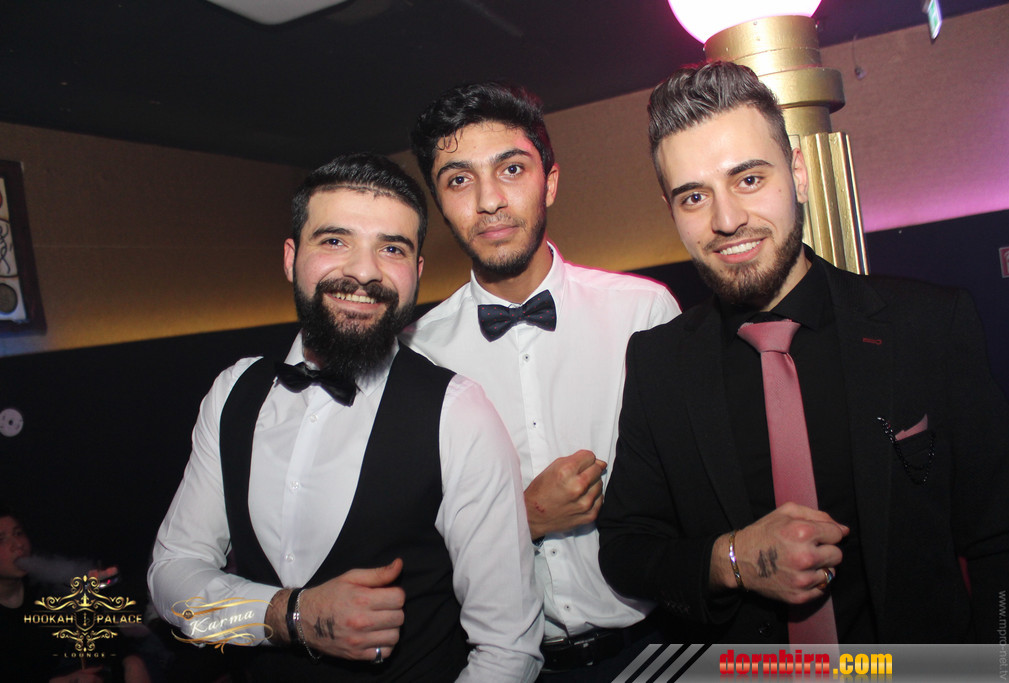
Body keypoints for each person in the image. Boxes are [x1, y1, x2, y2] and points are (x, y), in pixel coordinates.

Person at [597, 60, 1009, 644]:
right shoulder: (659, 363)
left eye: (750, 179)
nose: (727, 220)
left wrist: (1000, 670)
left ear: (798, 175)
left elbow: (1004, 535)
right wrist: (733, 559)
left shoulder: (926, 326)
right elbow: (627, 550)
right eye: (694, 196)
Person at [148, 153, 543, 681]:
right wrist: (288, 616)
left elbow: (508, 651)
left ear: (417, 273)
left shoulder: (458, 413)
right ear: (291, 258)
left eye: (392, 248)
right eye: (335, 241)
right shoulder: (233, 392)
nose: (363, 271)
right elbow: (171, 578)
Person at [403, 83, 681, 679]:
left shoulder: (644, 312)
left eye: (511, 169)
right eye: (459, 179)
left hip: (656, 647)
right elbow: (408, 546)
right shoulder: (416, 355)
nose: (489, 201)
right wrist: (521, 519)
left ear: (549, 182)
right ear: (439, 204)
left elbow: (694, 492)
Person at [0, 504, 152, 683]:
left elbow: (100, 629)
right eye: (1, 540)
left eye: (18, 533)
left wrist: (132, 660)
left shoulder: (45, 590)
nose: (18, 545)